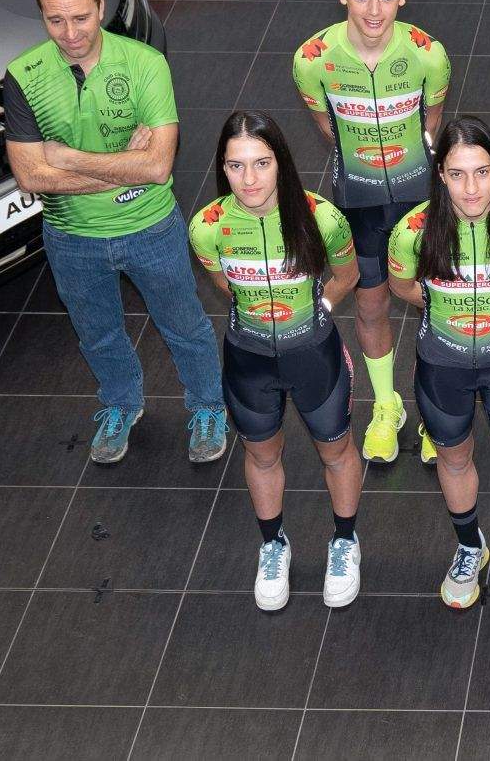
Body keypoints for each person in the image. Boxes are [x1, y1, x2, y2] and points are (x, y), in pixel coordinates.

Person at [3, 0, 227, 465]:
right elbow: (30, 177)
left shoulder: (145, 64)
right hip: (70, 235)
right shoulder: (24, 76)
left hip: (149, 227)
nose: (70, 33)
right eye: (55, 21)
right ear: (41, 17)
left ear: (101, 7)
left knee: (184, 325)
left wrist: (66, 156)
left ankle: (209, 406)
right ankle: (121, 404)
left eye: (81, 18)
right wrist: (120, 163)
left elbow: (157, 167)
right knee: (97, 332)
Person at [189, 112, 362, 612]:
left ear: (280, 163)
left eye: (261, 163)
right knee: (262, 454)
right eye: (236, 166)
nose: (250, 179)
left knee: (336, 449)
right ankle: (273, 545)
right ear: (222, 169)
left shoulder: (322, 217)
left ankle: (345, 541)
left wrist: (316, 313)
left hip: (314, 357)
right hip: (249, 362)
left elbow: (347, 275)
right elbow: (225, 286)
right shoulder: (207, 228)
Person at [386, 118, 490, 611]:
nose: (471, 188)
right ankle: (469, 546)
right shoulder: (412, 232)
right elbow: (403, 288)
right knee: (453, 458)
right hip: (443, 368)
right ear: (440, 174)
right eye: (458, 174)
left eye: (482, 173)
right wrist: (451, 309)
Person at [294, 0, 451, 466]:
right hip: (356, 204)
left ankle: (434, 408)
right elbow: (328, 128)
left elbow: (430, 127)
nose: (374, 11)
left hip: (419, 202)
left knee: (437, 303)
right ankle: (388, 405)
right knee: (369, 302)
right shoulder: (312, 60)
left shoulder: (429, 55)